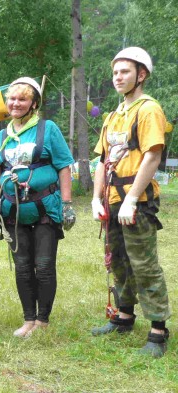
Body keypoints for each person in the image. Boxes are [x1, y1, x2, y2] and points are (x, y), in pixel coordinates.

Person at [90, 47, 170, 357]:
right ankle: (124, 316)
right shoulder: (114, 115)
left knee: (144, 265)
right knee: (119, 261)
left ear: (142, 75)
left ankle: (158, 332)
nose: (117, 77)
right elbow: (102, 160)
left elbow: (153, 155)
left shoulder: (148, 109)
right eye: (114, 72)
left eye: (124, 71)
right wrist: (96, 198)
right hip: (111, 199)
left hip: (136, 201)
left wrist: (132, 199)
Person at [0, 77, 75, 338]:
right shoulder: (3, 134)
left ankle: (43, 321)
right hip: (14, 211)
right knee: (21, 266)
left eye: (22, 99)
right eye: (12, 98)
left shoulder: (47, 128)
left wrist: (67, 204)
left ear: (34, 103)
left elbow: (63, 165)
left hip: (45, 210)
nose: (16, 103)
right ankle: (28, 319)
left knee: (43, 265)